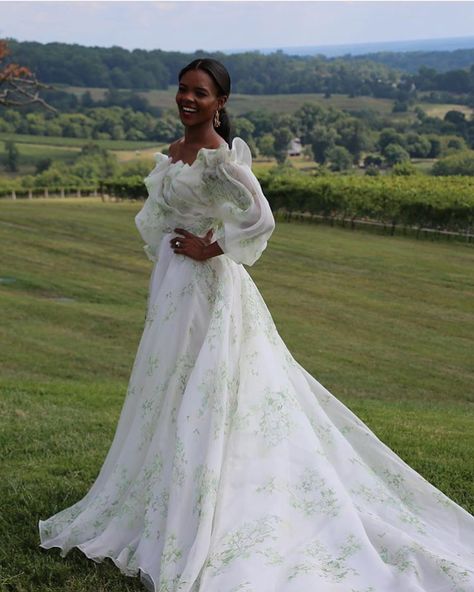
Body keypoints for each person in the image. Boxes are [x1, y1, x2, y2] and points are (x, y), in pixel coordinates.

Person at [39, 58, 474, 592]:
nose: (187, 99)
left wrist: (211, 245)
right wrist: (175, 254)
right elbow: (159, 217)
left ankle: (215, 504)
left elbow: (261, 218)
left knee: (209, 391)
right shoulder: (173, 154)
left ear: (220, 103)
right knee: (167, 389)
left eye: (200, 92)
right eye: (182, 90)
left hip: (209, 289)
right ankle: (166, 494)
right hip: (174, 288)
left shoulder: (221, 159)